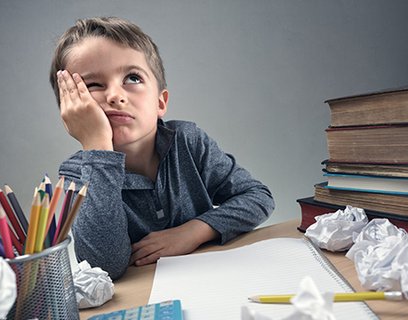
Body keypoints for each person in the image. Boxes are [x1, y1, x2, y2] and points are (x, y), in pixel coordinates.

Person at [49, 17, 275, 280]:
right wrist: (97, 148)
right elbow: (103, 266)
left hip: (212, 277)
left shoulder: (187, 141)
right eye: (93, 85)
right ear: (71, 110)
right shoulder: (78, 173)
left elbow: (258, 197)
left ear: (160, 102)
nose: (115, 95)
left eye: (132, 78)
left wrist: (194, 231)